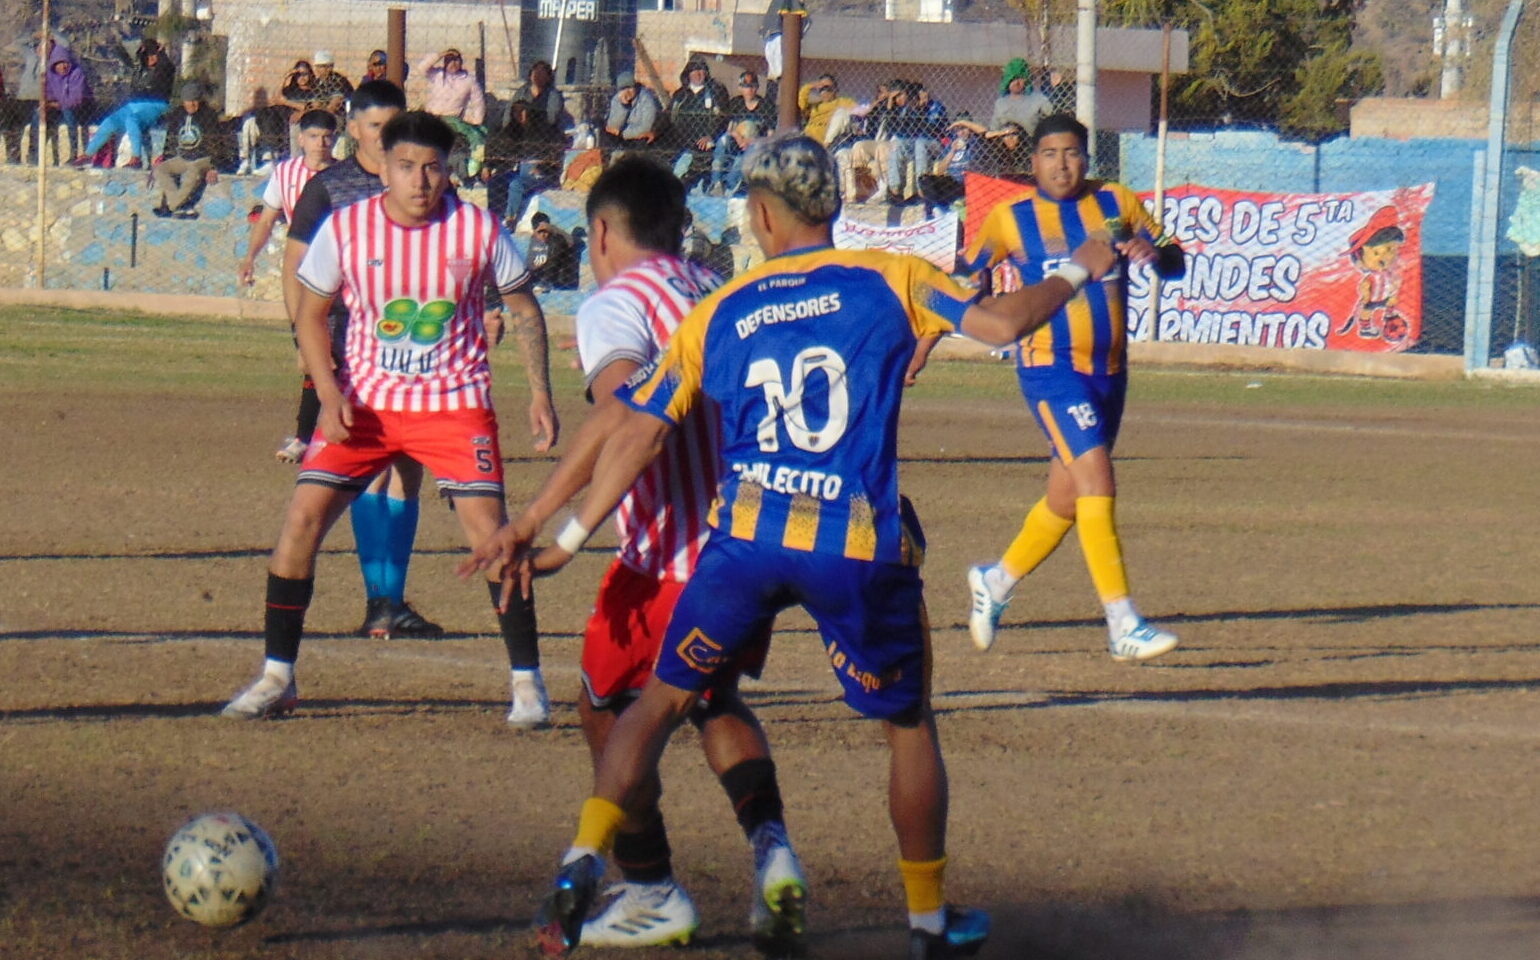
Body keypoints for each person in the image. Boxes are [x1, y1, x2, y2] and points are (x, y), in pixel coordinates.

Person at [470, 131, 1117, 958]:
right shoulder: (892, 276)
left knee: (659, 703)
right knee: (909, 725)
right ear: (832, 207)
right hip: (853, 540)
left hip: (744, 541)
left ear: (761, 214)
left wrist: (560, 535)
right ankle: (927, 924)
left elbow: (636, 425)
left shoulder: (724, 306)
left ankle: (581, 860)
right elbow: (997, 324)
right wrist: (1078, 266)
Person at [467, 155, 805, 951]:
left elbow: (627, 419)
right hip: (745, 545)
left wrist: (559, 531)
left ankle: (652, 890)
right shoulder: (715, 289)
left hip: (665, 561)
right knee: (714, 701)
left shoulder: (615, 304)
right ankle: (775, 857)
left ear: (603, 232)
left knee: (601, 706)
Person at [220, 111, 560, 728]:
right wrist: (327, 392)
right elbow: (311, 313)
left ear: (447, 169)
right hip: (366, 409)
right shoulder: (347, 228)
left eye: (432, 167)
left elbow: (524, 307)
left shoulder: (478, 229)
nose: (420, 180)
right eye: (406, 166)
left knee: (491, 536)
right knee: (301, 522)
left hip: (454, 407)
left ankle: (528, 684)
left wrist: (540, 393)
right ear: (384, 167)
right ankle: (277, 677)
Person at [955, 114, 1186, 663]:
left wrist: (1155, 255)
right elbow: (967, 280)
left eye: (1073, 152)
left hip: (1109, 372)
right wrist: (974, 304)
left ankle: (996, 582)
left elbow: (1173, 255)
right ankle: (1122, 621)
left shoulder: (1118, 203)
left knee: (1067, 496)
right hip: (1047, 368)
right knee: (1098, 476)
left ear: (1087, 157)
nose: (1063, 164)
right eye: (1051, 153)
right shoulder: (1008, 220)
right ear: (1032, 161)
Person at [237, 109, 338, 461]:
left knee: (327, 355)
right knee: (310, 355)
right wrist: (250, 256)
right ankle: (309, 436)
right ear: (301, 139)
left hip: (341, 276)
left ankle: (308, 437)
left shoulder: (345, 175)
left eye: (327, 137)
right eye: (314, 136)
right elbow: (267, 220)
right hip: (300, 273)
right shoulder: (286, 173)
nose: (320, 144)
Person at [71, 37, 175, 169]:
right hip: (134, 105)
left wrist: (161, 53)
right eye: (148, 56)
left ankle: (136, 157)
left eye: (154, 55)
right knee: (110, 121)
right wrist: (119, 46)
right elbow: (125, 57)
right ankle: (88, 154)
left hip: (155, 104)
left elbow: (167, 66)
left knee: (132, 119)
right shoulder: (140, 68)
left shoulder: (164, 68)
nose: (152, 59)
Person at [150, 83, 231, 220]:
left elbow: (216, 143)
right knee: (161, 170)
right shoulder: (178, 114)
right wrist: (166, 158)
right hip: (183, 157)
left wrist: (214, 166)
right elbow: (171, 140)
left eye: (195, 101)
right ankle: (180, 206)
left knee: (193, 171)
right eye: (188, 101)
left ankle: (171, 206)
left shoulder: (209, 115)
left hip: (203, 158)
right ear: (183, 101)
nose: (192, 105)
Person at [417, 47, 486, 176]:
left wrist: (477, 121)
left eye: (456, 60)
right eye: (449, 60)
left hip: (452, 119)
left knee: (476, 134)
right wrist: (441, 53)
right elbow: (422, 67)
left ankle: (473, 166)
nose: (453, 63)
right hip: (432, 117)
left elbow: (478, 102)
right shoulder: (436, 75)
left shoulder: (468, 80)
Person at [666, 59, 727, 192]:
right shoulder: (680, 95)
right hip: (680, 139)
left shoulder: (716, 93)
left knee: (701, 159)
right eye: (695, 71)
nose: (699, 74)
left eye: (702, 70)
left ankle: (684, 185)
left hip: (703, 140)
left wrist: (710, 136)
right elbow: (668, 116)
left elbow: (722, 118)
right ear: (688, 74)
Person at [708, 70, 773, 195]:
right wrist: (739, 139)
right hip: (737, 141)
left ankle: (730, 186)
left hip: (756, 145)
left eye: (752, 86)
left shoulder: (766, 106)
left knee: (741, 161)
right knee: (723, 140)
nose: (749, 90)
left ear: (757, 88)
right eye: (745, 87)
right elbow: (729, 129)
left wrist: (751, 141)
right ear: (740, 88)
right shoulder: (735, 103)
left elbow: (770, 135)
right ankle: (716, 183)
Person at [41, 50, 91, 164]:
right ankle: (41, 153)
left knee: (69, 115)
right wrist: (50, 103)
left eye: (65, 63)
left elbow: (76, 98)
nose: (63, 66)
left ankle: (74, 153)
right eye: (59, 63)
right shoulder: (50, 74)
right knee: (41, 117)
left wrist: (59, 104)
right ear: (54, 64)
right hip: (58, 105)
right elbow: (49, 94)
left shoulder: (77, 73)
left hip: (78, 108)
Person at [600, 71, 659, 154]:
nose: (627, 92)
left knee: (643, 140)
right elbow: (612, 126)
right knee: (607, 137)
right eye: (623, 89)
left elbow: (646, 128)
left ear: (635, 87)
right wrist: (623, 106)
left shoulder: (646, 99)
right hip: (625, 134)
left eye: (630, 88)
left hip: (637, 137)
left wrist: (622, 134)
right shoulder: (616, 99)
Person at [990, 57, 1051, 135]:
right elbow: (993, 129)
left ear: (1026, 79)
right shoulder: (1000, 103)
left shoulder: (1039, 100)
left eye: (1020, 78)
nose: (1016, 82)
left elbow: (1053, 118)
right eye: (1012, 79)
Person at [526, 213, 578, 291]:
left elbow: (571, 241)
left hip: (556, 276)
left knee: (558, 242)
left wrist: (552, 228)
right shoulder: (533, 240)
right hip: (537, 274)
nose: (543, 235)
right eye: (539, 232)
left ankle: (546, 282)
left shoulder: (556, 239)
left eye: (545, 231)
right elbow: (530, 263)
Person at [308, 51, 354, 116]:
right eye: (317, 66)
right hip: (322, 115)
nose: (317, 70)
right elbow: (315, 105)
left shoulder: (339, 80)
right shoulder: (317, 82)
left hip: (340, 115)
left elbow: (333, 106)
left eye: (321, 66)